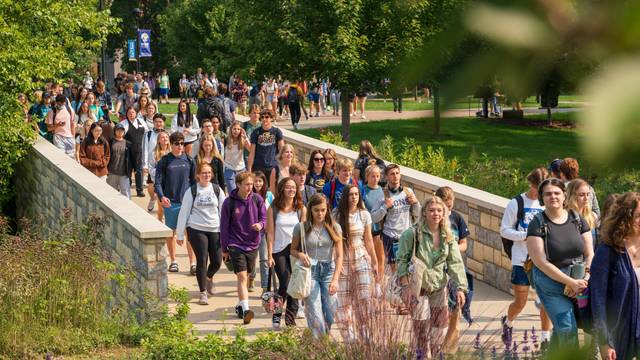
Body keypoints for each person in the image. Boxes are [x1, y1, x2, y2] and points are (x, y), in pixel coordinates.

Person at [526, 178, 593, 349]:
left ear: (564, 195)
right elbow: (540, 262)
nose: (553, 197)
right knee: (567, 328)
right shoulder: (537, 224)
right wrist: (570, 282)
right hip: (550, 284)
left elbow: (589, 253)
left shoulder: (577, 219)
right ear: (542, 198)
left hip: (579, 280)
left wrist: (584, 277)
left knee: (562, 330)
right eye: (548, 194)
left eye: (557, 193)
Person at [397, 196, 468, 358]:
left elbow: (455, 263)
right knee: (421, 330)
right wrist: (406, 286)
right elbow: (401, 260)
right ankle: (423, 355)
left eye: (439, 210)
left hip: (438, 286)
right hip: (418, 287)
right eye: (431, 210)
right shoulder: (412, 233)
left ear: (444, 213)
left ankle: (435, 355)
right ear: (424, 213)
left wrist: (460, 288)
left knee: (439, 329)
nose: (435, 213)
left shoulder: (448, 237)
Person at [499, 167, 552, 345]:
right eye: (539, 188)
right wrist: (526, 236)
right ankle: (508, 322)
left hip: (545, 261)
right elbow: (504, 230)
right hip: (522, 259)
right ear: (531, 184)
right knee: (520, 302)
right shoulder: (517, 203)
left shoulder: (549, 203)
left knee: (546, 300)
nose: (542, 193)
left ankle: (545, 340)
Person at [591, 192, 640, 360]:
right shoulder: (608, 250)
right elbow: (598, 299)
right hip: (618, 334)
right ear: (625, 217)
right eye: (638, 215)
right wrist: (605, 342)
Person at [290, 194, 344, 338]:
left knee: (331, 312)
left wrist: (335, 279)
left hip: (328, 270)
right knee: (315, 310)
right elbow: (292, 250)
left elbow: (339, 256)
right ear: (310, 210)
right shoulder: (301, 227)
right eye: (316, 210)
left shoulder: (335, 227)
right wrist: (300, 255)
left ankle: (320, 337)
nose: (320, 214)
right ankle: (318, 343)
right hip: (310, 272)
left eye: (323, 210)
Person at [333, 184, 378, 341]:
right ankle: (349, 333)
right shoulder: (337, 215)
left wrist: (375, 261)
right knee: (344, 298)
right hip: (343, 259)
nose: (354, 197)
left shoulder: (364, 214)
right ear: (346, 196)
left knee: (364, 297)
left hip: (361, 257)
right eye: (351, 194)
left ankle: (364, 330)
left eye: (356, 194)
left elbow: (369, 239)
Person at [220, 171, 267, 325]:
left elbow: (264, 219)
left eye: (251, 184)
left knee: (247, 276)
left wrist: (260, 225)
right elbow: (224, 227)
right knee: (241, 276)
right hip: (236, 243)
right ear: (238, 185)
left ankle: (240, 306)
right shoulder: (229, 202)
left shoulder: (257, 199)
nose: (250, 187)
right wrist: (224, 248)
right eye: (246, 184)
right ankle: (246, 309)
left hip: (253, 243)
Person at [176, 163, 226, 305]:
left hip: (215, 228)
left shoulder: (217, 190)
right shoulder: (192, 191)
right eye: (203, 173)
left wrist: (226, 231)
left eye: (209, 173)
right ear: (198, 175)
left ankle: (208, 277)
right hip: (196, 228)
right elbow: (184, 212)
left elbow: (224, 211)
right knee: (202, 259)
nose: (206, 175)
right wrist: (180, 234)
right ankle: (203, 292)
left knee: (217, 261)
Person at [267, 177, 307, 328]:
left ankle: (290, 319)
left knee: (294, 285)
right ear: (282, 189)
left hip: (295, 251)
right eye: (288, 187)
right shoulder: (273, 208)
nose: (291, 190)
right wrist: (269, 255)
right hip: (279, 250)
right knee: (285, 283)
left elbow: (304, 233)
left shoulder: (301, 209)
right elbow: (270, 233)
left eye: (294, 188)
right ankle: (277, 315)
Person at [155, 131, 197, 273]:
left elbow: (194, 183)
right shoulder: (165, 160)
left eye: (182, 143)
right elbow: (158, 182)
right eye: (177, 144)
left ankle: (193, 263)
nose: (180, 146)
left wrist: (193, 198)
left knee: (189, 233)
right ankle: (173, 261)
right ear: (171, 145)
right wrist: (162, 197)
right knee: (171, 232)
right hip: (171, 203)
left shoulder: (190, 161)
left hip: (187, 203)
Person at [371, 164, 421, 272]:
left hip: (407, 235)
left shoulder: (408, 192)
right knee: (396, 271)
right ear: (387, 177)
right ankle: (395, 288)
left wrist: (416, 203)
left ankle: (404, 288)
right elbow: (374, 218)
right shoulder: (382, 195)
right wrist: (385, 206)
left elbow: (419, 214)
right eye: (392, 174)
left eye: (397, 173)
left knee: (409, 268)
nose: (395, 176)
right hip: (391, 237)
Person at [362, 164, 386, 293]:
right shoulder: (362, 190)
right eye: (373, 176)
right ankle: (365, 283)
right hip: (365, 230)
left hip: (379, 230)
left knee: (380, 257)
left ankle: (378, 284)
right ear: (367, 177)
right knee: (366, 258)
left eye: (378, 176)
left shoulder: (383, 191)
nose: (375, 178)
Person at [247, 109, 284, 187]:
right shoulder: (256, 132)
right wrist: (249, 169)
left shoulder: (277, 132)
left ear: (271, 118)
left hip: (273, 167)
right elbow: (252, 152)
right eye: (262, 117)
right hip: (258, 167)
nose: (264, 119)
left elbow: (282, 151)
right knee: (258, 190)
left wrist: (283, 166)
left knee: (272, 191)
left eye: (267, 117)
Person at [251, 171, 274, 292]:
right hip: (252, 231)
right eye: (255, 181)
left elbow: (273, 212)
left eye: (260, 181)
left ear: (264, 182)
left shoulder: (269, 195)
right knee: (252, 258)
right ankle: (251, 277)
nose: (257, 183)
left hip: (265, 231)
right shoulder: (249, 194)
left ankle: (265, 287)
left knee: (264, 259)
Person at [121, 107, 149, 197]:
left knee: (139, 170)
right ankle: (127, 189)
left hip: (139, 151)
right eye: (129, 112)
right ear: (127, 114)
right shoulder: (123, 123)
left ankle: (139, 190)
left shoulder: (141, 122)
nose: (131, 114)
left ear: (136, 113)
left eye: (133, 112)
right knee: (128, 170)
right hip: (127, 151)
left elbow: (146, 133)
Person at [143, 114, 167, 212]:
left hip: (165, 164)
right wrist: (144, 165)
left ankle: (163, 208)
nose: (158, 123)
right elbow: (145, 149)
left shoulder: (166, 134)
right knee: (150, 187)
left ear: (163, 123)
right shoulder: (148, 134)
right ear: (153, 122)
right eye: (156, 121)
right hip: (152, 164)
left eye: (160, 121)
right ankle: (153, 198)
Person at [566, 179, 600, 247]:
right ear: (572, 196)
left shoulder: (593, 216)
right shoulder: (564, 217)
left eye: (588, 194)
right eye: (582, 195)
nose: (586, 198)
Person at [106, 123, 132, 198]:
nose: (120, 132)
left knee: (125, 193)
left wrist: (132, 169)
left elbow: (131, 158)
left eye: (122, 130)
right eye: (118, 130)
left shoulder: (128, 143)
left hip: (124, 173)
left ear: (124, 132)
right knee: (111, 192)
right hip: (112, 172)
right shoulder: (110, 142)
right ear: (115, 131)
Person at [224, 121, 250, 192]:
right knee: (232, 191)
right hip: (229, 168)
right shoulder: (226, 140)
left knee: (241, 191)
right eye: (234, 129)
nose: (236, 131)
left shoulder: (243, 140)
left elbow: (251, 149)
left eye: (238, 129)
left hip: (241, 168)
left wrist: (246, 137)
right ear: (231, 129)